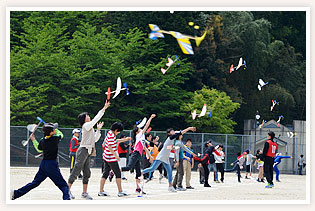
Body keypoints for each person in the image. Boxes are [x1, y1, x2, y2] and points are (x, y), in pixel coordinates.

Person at [11, 123, 70, 200]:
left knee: (35, 182)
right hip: (51, 165)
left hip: (44, 164)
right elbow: (61, 134)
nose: (55, 130)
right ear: (51, 132)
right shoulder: (55, 139)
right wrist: (53, 126)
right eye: (53, 129)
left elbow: (39, 149)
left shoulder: (43, 141)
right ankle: (67, 200)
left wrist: (33, 140)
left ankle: (16, 194)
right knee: (63, 185)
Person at [68, 100, 110, 200]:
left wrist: (99, 129)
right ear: (84, 119)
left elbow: (95, 139)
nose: (88, 116)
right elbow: (95, 119)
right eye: (87, 116)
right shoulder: (86, 125)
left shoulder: (89, 127)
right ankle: (67, 191)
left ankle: (84, 193)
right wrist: (103, 109)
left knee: (87, 172)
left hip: (88, 150)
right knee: (76, 170)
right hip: (83, 150)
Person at [142, 127, 196, 192]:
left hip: (166, 158)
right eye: (172, 131)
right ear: (169, 133)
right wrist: (189, 128)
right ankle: (141, 173)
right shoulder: (170, 138)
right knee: (152, 168)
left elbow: (167, 147)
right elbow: (181, 132)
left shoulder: (172, 140)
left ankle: (170, 186)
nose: (173, 131)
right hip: (161, 156)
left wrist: (174, 147)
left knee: (169, 171)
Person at [121, 114, 155, 194]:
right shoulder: (139, 135)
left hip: (138, 155)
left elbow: (144, 148)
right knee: (128, 167)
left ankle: (138, 188)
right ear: (137, 132)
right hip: (135, 154)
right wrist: (150, 118)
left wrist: (150, 156)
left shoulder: (141, 137)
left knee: (138, 173)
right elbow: (147, 125)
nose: (141, 129)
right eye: (139, 129)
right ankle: (113, 170)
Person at [98, 122, 131, 197]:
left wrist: (124, 139)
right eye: (119, 131)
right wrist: (116, 156)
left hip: (106, 157)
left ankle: (101, 191)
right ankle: (120, 191)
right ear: (116, 130)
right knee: (118, 173)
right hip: (111, 158)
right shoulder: (111, 136)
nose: (119, 133)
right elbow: (110, 146)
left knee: (105, 173)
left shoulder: (110, 133)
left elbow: (115, 141)